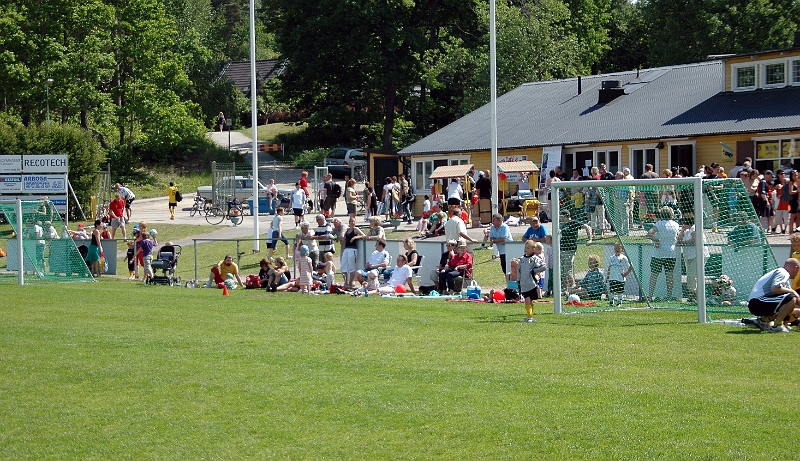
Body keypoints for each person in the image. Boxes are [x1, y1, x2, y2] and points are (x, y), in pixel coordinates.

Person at [748, 258, 800, 333]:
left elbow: (795, 302)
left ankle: (764, 321)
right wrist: (793, 292)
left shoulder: (785, 279)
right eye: (798, 270)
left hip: (759, 302)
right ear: (796, 268)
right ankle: (777, 326)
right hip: (757, 302)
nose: (797, 273)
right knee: (791, 297)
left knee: (791, 302)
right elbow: (775, 288)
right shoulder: (783, 272)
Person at [646, 206, 680, 301]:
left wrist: (656, 240)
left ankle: (650, 296)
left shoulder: (659, 224)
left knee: (654, 274)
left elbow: (649, 233)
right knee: (669, 275)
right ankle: (669, 296)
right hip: (671, 252)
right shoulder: (676, 225)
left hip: (658, 253)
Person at [558, 209, 593, 291]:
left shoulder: (573, 223)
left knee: (568, 270)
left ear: (565, 217)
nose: (560, 218)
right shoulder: (562, 225)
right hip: (562, 249)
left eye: (561, 217)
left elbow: (587, 227)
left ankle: (573, 286)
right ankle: (565, 290)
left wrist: (590, 239)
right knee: (563, 271)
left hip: (570, 250)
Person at [676, 213, 708, 300]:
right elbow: (678, 239)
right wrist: (682, 231)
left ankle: (695, 295)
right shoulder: (686, 231)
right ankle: (693, 294)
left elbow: (695, 240)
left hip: (697, 255)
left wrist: (683, 243)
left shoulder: (695, 228)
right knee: (690, 276)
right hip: (689, 256)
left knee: (692, 275)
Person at [516, 240, 546, 322]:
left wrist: (534, 271)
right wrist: (518, 280)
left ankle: (530, 317)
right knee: (527, 299)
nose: (525, 249)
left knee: (529, 300)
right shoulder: (522, 259)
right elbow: (519, 271)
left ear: (533, 250)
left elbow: (544, 267)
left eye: (528, 248)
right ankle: (530, 316)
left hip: (531, 283)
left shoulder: (535, 258)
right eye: (525, 247)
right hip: (523, 284)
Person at [340, 217, 365, 287]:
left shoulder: (356, 229)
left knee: (351, 266)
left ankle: (351, 282)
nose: (352, 223)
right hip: (346, 248)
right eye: (351, 221)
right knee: (344, 265)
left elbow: (363, 235)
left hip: (353, 249)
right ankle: (345, 282)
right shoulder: (347, 230)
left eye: (353, 221)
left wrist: (355, 237)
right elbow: (344, 237)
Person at [605, 242, 632, 306]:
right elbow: (609, 268)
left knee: (620, 291)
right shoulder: (611, 258)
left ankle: (619, 302)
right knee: (611, 291)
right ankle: (611, 302)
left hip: (620, 278)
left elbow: (631, 267)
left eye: (619, 248)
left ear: (622, 249)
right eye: (615, 248)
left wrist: (625, 274)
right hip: (612, 278)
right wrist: (607, 277)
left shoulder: (624, 258)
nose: (617, 249)